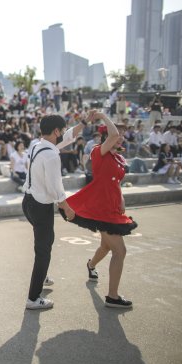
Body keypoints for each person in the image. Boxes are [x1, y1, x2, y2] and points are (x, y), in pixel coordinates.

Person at [60, 113, 137, 308]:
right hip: (100, 207)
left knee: (106, 246)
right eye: (118, 134)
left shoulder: (118, 157)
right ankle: (112, 296)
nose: (120, 137)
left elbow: (116, 182)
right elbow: (113, 135)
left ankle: (91, 265)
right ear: (106, 136)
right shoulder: (98, 151)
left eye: (122, 135)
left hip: (113, 205)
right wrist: (102, 115)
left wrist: (121, 198)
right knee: (120, 251)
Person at [22, 113, 92, 310]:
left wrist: (84, 124)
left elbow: (68, 137)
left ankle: (42, 277)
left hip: (28, 202)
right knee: (43, 251)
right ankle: (33, 298)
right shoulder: (51, 155)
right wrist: (67, 208)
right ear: (55, 131)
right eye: (61, 130)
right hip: (40, 206)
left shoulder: (38, 145)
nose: (63, 134)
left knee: (44, 245)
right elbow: (55, 188)